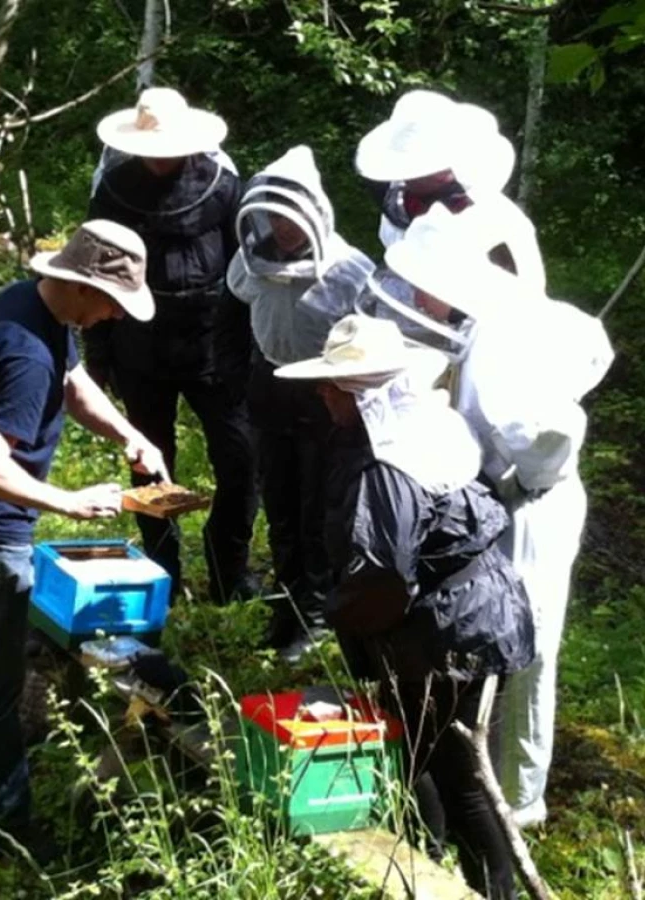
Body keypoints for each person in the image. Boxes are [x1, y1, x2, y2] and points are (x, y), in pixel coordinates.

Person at [0, 220, 168, 861]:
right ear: (85, 287)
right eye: (112, 302)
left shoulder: (30, 302)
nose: (113, 316)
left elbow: (75, 383)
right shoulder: (26, 355)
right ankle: (5, 827)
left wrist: (127, 434)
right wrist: (70, 502)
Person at [359, 203, 614, 829]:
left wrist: (522, 482)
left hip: (528, 512)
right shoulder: (470, 325)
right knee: (486, 636)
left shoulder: (503, 345)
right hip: (496, 503)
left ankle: (519, 802)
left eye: (422, 283)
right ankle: (476, 771)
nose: (414, 294)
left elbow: (551, 430)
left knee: (527, 648)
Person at [275, 315, 534, 899]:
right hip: (474, 615)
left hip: (451, 634)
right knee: (423, 759)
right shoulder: (427, 430)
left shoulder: (389, 461)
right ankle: (427, 870)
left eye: (332, 386)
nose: (321, 393)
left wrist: (339, 617)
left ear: (362, 395)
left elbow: (384, 577)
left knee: (464, 781)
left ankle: (493, 894)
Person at [84, 87, 258, 603]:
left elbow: (248, 265)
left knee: (242, 458)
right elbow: (96, 272)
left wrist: (247, 346)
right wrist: (99, 353)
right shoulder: (113, 188)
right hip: (141, 345)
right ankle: (162, 572)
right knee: (148, 459)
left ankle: (231, 570)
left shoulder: (224, 186)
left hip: (214, 346)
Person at [226, 145, 376, 661]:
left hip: (325, 396)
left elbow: (371, 341)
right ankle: (287, 604)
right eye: (273, 217)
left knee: (319, 509)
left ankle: (316, 617)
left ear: (314, 214)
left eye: (291, 219)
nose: (281, 228)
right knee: (280, 502)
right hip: (269, 386)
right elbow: (240, 303)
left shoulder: (352, 270)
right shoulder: (252, 258)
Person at [356, 89, 546, 294]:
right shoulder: (402, 201)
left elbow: (515, 300)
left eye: (412, 168)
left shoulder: (495, 222)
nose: (404, 177)